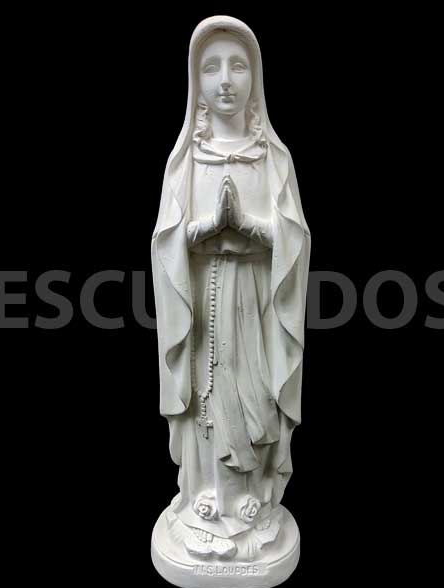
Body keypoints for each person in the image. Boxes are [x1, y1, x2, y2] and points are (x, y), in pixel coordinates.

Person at [152, 16, 310, 559]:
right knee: (206, 395)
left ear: (255, 78)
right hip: (201, 305)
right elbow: (165, 244)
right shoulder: (186, 162)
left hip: (259, 304)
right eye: (211, 67)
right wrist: (205, 229)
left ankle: (253, 505)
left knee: (256, 393)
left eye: (238, 66)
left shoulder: (273, 160)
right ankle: (204, 502)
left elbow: (295, 242)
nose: (225, 80)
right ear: (194, 82)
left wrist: (246, 227)